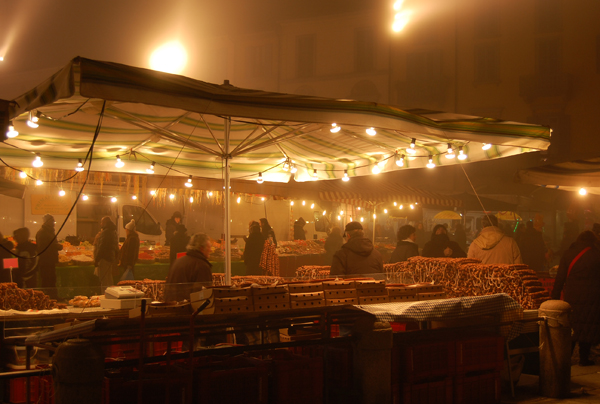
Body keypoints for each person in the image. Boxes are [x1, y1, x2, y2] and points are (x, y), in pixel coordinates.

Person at [551, 230, 600, 366]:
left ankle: (566, 359)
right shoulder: (597, 254)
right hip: (593, 298)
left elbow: (560, 278)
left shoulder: (568, 254)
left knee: (571, 327)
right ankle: (584, 358)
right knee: (587, 327)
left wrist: (554, 297)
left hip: (572, 297)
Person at [165, 233, 213, 302]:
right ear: (202, 248)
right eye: (209, 247)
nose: (210, 250)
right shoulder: (201, 265)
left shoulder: (179, 261)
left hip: (172, 306)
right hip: (186, 309)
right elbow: (202, 295)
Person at [35, 214, 63, 297]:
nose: (54, 223)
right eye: (52, 221)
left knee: (52, 280)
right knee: (47, 280)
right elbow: (42, 247)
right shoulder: (42, 232)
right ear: (47, 222)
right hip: (46, 261)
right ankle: (47, 298)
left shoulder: (49, 231)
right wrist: (56, 246)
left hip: (50, 261)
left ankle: (53, 297)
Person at [93, 216, 119, 291]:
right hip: (110, 258)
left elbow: (102, 247)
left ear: (105, 222)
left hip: (104, 258)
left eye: (102, 222)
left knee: (104, 279)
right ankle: (111, 293)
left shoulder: (106, 232)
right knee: (109, 278)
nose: (101, 224)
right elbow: (115, 247)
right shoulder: (113, 231)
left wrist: (97, 259)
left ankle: (105, 295)